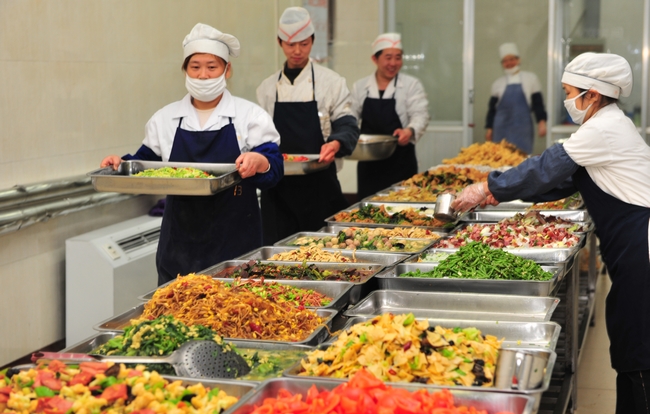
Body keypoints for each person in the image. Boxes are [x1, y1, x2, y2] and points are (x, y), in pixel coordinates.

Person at [453, 52, 650, 414]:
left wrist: (488, 186)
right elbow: (559, 181)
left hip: (642, 250)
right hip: (631, 250)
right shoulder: (606, 125)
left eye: (569, 92)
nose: (566, 100)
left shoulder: (603, 129)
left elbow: (547, 167)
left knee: (640, 350)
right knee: (630, 347)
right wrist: (497, 193)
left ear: (593, 95)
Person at [101, 23, 283, 285]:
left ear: (227, 70)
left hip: (236, 245)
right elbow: (145, 164)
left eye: (212, 67)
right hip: (179, 246)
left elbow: (274, 167)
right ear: (185, 70)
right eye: (195, 67)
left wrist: (260, 161)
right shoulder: (165, 119)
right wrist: (121, 164)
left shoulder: (249, 116)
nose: (203, 75)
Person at [256, 7, 359, 244]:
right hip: (277, 190)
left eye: (303, 44)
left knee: (325, 250)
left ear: (312, 41)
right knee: (278, 253)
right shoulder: (267, 88)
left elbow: (347, 124)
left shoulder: (331, 82)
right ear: (280, 43)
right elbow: (260, 137)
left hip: (320, 185)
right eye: (290, 44)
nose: (297, 51)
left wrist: (336, 143)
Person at [350, 33, 429, 200]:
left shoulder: (411, 85)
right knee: (368, 206)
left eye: (398, 57)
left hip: (401, 160)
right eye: (388, 57)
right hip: (368, 163)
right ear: (375, 59)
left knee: (404, 204)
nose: (393, 63)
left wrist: (409, 131)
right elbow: (350, 116)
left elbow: (420, 115)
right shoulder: (360, 86)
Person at [485, 42, 547, 154]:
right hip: (501, 128)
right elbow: (492, 110)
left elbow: (538, 103)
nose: (509, 63)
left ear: (518, 60)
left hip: (522, 129)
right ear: (502, 64)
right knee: (500, 156)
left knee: (522, 157)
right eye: (505, 61)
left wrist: (541, 123)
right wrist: (490, 128)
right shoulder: (497, 84)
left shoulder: (531, 78)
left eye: (512, 59)